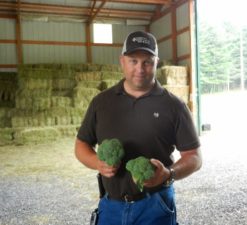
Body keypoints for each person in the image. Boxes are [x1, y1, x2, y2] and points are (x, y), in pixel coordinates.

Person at [75, 30, 202, 225]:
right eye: (133, 60)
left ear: (156, 62)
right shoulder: (101, 103)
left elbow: (194, 157)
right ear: (122, 61)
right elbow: (81, 145)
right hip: (111, 206)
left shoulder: (174, 106)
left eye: (147, 62)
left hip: (155, 205)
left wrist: (169, 174)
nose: (140, 69)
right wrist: (96, 163)